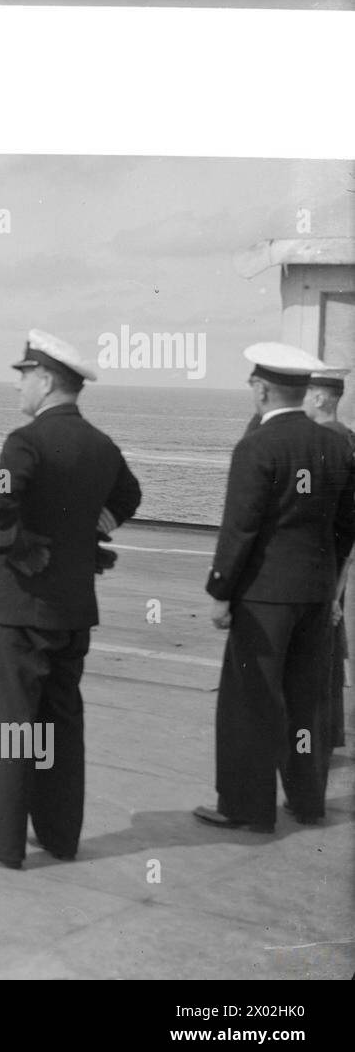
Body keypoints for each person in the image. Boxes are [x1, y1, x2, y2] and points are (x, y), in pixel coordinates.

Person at [0, 330, 141, 870]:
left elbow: (1, 497)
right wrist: (99, 522)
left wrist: (6, 543)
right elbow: (129, 494)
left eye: (23, 376)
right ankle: (58, 836)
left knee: (6, 722)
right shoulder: (101, 446)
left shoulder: (24, 441)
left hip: (17, 605)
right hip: (73, 605)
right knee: (61, 720)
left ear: (47, 380)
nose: (19, 388)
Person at [195, 345, 355, 832]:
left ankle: (246, 807)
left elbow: (239, 528)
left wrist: (221, 590)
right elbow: (347, 523)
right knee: (307, 701)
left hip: (265, 597)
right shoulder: (335, 445)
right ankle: (307, 802)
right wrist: (328, 585)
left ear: (262, 390)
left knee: (249, 701)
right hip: (315, 592)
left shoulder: (257, 446)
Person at [305, 368, 354, 753]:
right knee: (330, 652)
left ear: (321, 398)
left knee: (320, 655)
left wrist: (335, 586)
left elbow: (341, 521)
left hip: (326, 568)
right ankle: (330, 733)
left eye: (306, 392)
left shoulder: (331, 441)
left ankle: (319, 738)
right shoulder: (346, 437)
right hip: (335, 567)